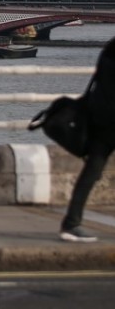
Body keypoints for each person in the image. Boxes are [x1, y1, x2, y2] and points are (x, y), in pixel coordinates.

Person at [60, 36, 115, 242]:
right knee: (92, 171)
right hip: (110, 122)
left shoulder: (109, 49)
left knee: (92, 172)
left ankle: (71, 223)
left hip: (101, 120)